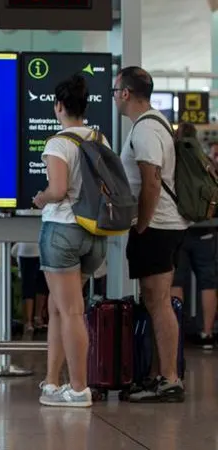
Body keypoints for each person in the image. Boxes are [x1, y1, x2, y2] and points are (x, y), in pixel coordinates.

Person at [33, 74, 109, 408]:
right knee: (59, 306)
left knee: (71, 310)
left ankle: (78, 389)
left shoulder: (58, 143)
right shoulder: (98, 138)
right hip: (93, 234)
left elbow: (59, 190)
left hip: (62, 231)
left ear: (59, 106)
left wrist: (41, 197)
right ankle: (52, 381)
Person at [115, 66, 188, 403]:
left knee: (158, 303)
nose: (115, 97)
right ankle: (160, 375)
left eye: (116, 91)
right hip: (162, 226)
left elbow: (152, 182)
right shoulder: (155, 123)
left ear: (126, 93)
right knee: (155, 301)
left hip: (156, 226)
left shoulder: (144, 130)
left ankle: (170, 379)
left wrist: (141, 226)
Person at [170, 123, 217, 349]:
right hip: (205, 228)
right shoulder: (204, 160)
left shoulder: (174, 158)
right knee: (208, 281)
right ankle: (207, 334)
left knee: (176, 280)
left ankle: (176, 334)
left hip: (179, 227)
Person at [11, 242, 48, 333]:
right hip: (44, 249)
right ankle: (38, 318)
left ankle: (28, 322)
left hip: (26, 250)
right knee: (42, 285)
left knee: (28, 286)